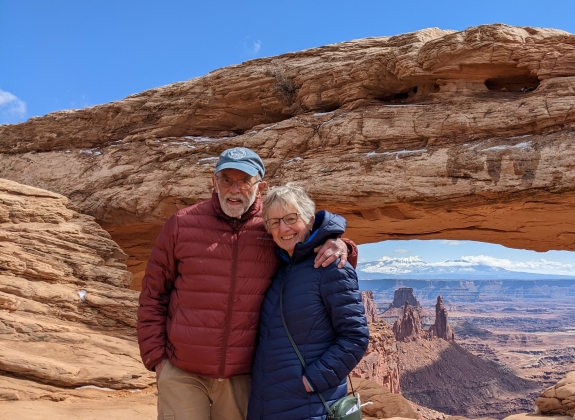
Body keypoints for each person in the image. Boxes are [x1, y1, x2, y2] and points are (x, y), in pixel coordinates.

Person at [137, 147, 357, 420]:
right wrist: (157, 359)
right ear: (213, 182)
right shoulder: (181, 225)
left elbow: (304, 243)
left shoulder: (271, 226)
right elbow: (153, 294)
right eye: (226, 179)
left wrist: (341, 244)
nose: (234, 189)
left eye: (244, 181)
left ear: (261, 186)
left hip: (242, 379)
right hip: (183, 372)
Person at [248, 185, 369, 420]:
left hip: (309, 407)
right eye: (274, 222)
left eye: (291, 218)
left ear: (310, 219)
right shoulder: (282, 266)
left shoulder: (331, 265)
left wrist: (311, 380)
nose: (283, 228)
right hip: (268, 404)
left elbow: (355, 336)